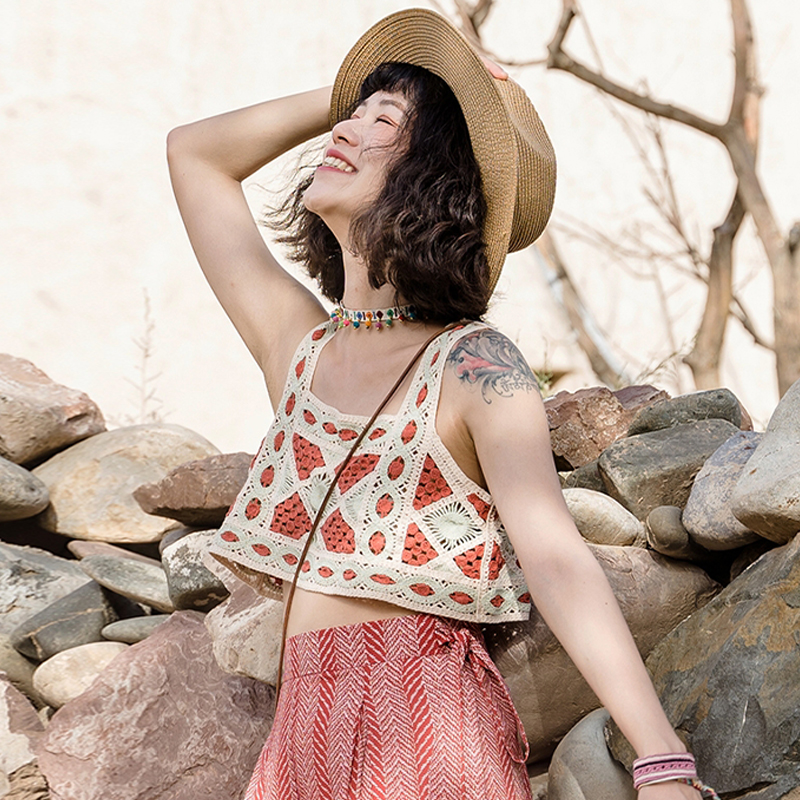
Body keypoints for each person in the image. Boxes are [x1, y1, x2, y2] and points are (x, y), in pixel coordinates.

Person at [167, 8, 717, 800]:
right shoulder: (299, 351)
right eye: (351, 116)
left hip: (427, 728)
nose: (345, 130)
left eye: (383, 123)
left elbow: (557, 560)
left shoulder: (473, 365)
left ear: (434, 176)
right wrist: (358, 93)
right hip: (299, 738)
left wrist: (661, 760)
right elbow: (194, 154)